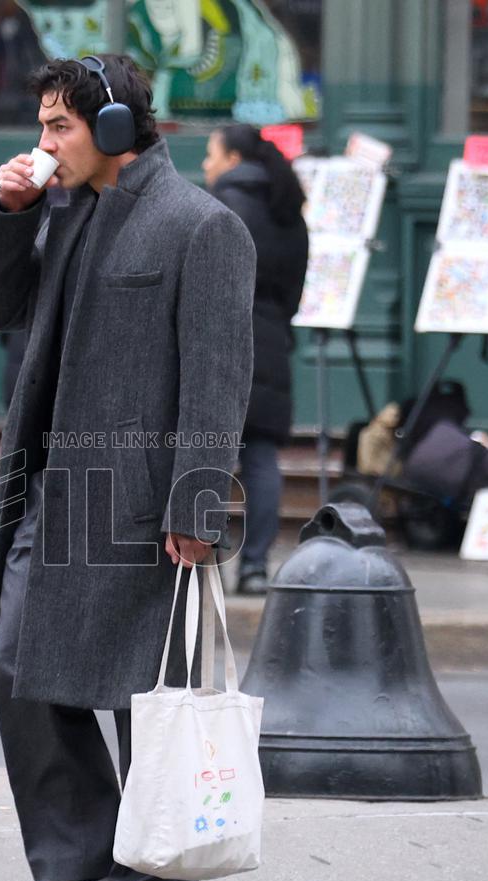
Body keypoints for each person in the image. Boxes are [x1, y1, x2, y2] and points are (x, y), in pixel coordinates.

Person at [0, 55, 254, 881]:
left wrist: (197, 508)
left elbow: (219, 380)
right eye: (44, 125)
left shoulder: (201, 226)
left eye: (60, 127)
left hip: (140, 500)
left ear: (118, 130)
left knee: (143, 694)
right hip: (53, 490)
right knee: (16, 668)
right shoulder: (66, 209)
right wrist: (10, 213)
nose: (43, 144)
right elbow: (4, 308)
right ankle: (82, 868)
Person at [203, 123, 308, 594]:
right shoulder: (288, 209)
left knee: (209, 454)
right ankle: (256, 566)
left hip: (218, 339)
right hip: (269, 341)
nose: (205, 164)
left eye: (210, 154)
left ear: (230, 159)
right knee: (262, 457)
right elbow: (293, 291)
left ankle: (208, 555)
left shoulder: (216, 207)